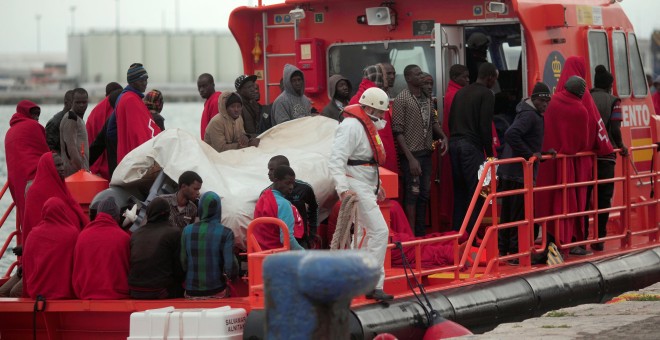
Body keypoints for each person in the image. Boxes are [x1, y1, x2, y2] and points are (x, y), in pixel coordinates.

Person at [535, 75, 613, 258]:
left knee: (548, 204)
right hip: (568, 165)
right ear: (580, 92)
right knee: (567, 205)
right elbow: (582, 142)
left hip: (548, 161)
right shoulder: (580, 110)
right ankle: (566, 243)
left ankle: (548, 241)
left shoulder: (552, 102)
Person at [328, 87, 393, 301]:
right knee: (379, 231)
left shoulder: (366, 126)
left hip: (365, 184)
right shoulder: (351, 127)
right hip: (355, 185)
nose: (383, 117)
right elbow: (337, 160)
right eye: (381, 112)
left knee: (363, 234)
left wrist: (377, 185)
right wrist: (342, 189)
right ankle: (373, 283)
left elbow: (367, 161)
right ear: (368, 108)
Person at [497, 82, 553, 260]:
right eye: (542, 101)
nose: (545, 104)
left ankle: (503, 249)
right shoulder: (530, 116)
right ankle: (514, 253)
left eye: (547, 101)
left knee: (507, 213)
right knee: (517, 214)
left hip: (510, 170)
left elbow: (522, 138)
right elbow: (511, 134)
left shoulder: (526, 112)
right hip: (518, 173)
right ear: (534, 99)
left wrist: (541, 154)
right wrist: (530, 155)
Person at [392, 65, 448, 236]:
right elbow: (398, 131)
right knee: (412, 194)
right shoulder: (402, 99)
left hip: (426, 153)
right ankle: (411, 235)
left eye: (421, 73)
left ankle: (421, 232)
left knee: (424, 194)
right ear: (408, 78)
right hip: (412, 155)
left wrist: (443, 137)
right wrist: (410, 159)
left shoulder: (427, 97)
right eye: (417, 74)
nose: (421, 76)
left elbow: (433, 122)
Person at [448, 62, 499, 232]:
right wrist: (491, 156)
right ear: (490, 77)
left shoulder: (460, 92)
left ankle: (458, 233)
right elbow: (485, 126)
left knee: (460, 193)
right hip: (471, 147)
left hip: (454, 145)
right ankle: (471, 236)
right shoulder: (487, 94)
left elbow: (450, 121)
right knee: (477, 193)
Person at [587, 65, 627, 251]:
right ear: (610, 85)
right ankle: (599, 238)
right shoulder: (614, 101)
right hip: (606, 157)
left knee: (584, 196)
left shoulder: (585, 97)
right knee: (603, 199)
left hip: (585, 157)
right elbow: (616, 129)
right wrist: (621, 146)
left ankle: (579, 237)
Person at [22, 197, 80, 299]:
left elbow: (27, 263)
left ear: (44, 212)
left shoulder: (33, 234)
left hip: (37, 293)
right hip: (66, 294)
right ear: (63, 211)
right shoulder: (73, 234)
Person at [181, 191, 235, 299]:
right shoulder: (226, 232)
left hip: (191, 291)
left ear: (200, 207)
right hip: (216, 290)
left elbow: (183, 262)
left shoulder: (187, 230)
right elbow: (229, 267)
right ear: (219, 208)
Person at [73, 197, 130, 299]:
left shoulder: (82, 236)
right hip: (118, 296)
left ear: (98, 214)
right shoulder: (124, 238)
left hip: (87, 295)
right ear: (116, 216)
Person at [4, 100, 49, 229]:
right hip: (34, 178)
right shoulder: (34, 126)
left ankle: (27, 242)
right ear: (25, 113)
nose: (37, 118)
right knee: (41, 215)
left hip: (16, 182)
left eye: (38, 114)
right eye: (33, 114)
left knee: (26, 216)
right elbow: (45, 153)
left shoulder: (9, 132)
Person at [128, 197, 184, 299]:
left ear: (148, 213)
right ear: (168, 213)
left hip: (135, 290)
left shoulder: (136, 234)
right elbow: (179, 269)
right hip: (160, 291)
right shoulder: (174, 233)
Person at [349, 64, 399, 174]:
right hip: (378, 157)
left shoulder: (354, 99)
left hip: (359, 162)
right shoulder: (378, 99)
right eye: (385, 76)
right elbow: (382, 136)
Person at [110, 63, 162, 164]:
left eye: (146, 79)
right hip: (136, 162)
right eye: (141, 80)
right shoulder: (131, 100)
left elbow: (111, 131)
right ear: (132, 82)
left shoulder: (123, 97)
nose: (145, 83)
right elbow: (141, 133)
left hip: (125, 159)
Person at [438, 64, 470, 228]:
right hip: (461, 147)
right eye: (465, 77)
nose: (467, 80)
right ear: (456, 78)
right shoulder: (457, 95)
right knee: (462, 190)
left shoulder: (453, 93)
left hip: (455, 145)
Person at [265, 155, 319, 248]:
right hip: (279, 244)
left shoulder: (304, 188)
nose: (269, 173)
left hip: (301, 240)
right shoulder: (266, 194)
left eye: (272, 169)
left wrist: (312, 234)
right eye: (269, 169)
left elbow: (314, 208)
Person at [253, 165, 305, 251]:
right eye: (288, 183)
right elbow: (286, 239)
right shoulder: (283, 204)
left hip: (259, 254)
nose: (291, 187)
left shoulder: (263, 198)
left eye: (293, 183)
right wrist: (303, 252)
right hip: (278, 256)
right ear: (276, 181)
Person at [87, 82, 123, 180]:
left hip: (95, 165)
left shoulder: (94, 112)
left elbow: (90, 139)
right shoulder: (120, 108)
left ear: (106, 95)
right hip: (118, 164)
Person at [60, 87, 90, 177]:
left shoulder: (77, 118)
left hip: (78, 173)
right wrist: (82, 169)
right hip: (75, 174)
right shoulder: (71, 118)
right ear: (72, 102)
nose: (81, 105)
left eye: (84, 102)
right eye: (78, 102)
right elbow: (71, 148)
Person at [198, 73, 222, 139]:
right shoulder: (210, 101)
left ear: (213, 85)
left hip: (212, 146)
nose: (201, 90)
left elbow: (216, 129)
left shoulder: (216, 101)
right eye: (199, 87)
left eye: (204, 86)